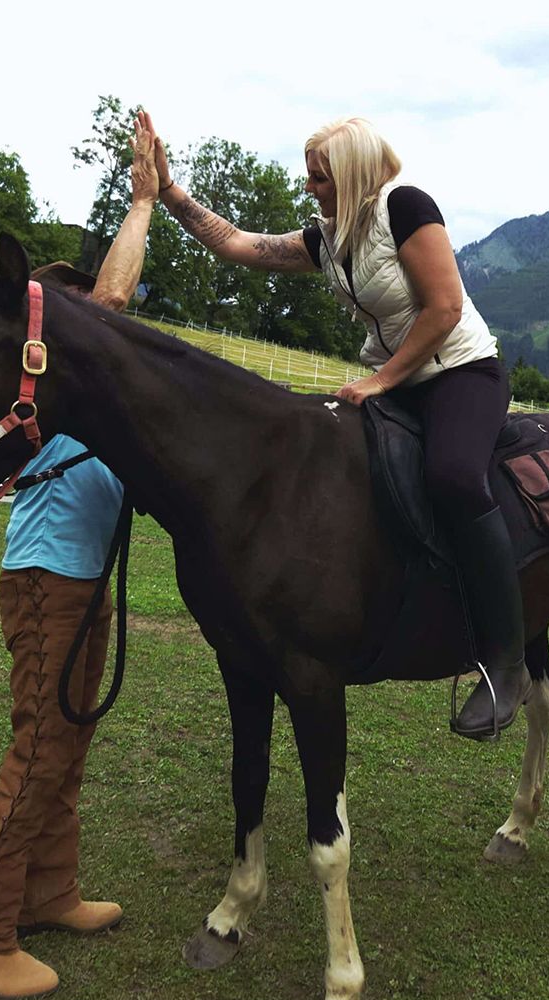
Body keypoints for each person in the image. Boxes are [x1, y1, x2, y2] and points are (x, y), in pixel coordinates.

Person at [138, 111, 523, 740]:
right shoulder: (329, 236)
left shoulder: (406, 207)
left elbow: (446, 308)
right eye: (309, 176)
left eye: (319, 177)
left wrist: (379, 380)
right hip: (397, 378)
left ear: (351, 173)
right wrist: (169, 188)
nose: (309, 187)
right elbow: (239, 244)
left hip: (460, 374)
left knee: (454, 478)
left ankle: (506, 661)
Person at [0, 119, 155, 1000]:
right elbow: (110, 303)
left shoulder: (85, 386)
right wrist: (143, 202)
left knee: (68, 741)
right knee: (39, 749)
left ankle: (49, 892)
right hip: (48, 579)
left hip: (81, 576)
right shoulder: (52, 371)